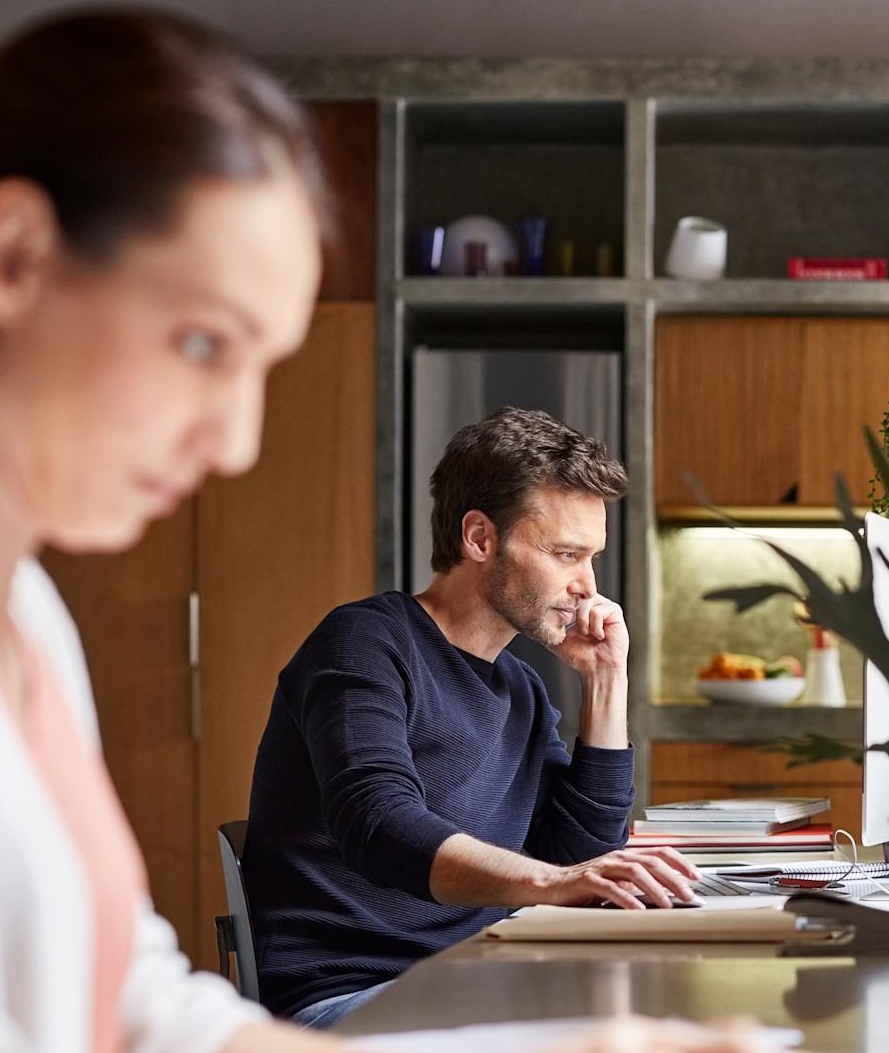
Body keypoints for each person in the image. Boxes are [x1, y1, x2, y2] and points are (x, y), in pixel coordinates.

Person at [0, 6, 755, 1053]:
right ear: (10, 259)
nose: (235, 441)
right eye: (202, 341)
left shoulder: (21, 616)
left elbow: (141, 1012)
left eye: (261, 368)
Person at [243, 407, 701, 1027]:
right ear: (480, 538)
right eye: (566, 554)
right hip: (348, 999)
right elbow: (378, 822)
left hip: (483, 982)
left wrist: (605, 679)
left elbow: (580, 861)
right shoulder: (365, 644)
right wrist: (551, 884)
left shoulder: (523, 690)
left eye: (591, 558)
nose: (588, 588)